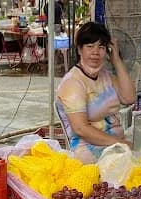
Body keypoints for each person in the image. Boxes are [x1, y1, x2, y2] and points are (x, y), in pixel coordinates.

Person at [56, 22, 136, 163]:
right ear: (80, 50)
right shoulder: (73, 83)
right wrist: (119, 143)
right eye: (90, 46)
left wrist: (116, 59)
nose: (95, 52)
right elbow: (81, 129)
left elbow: (129, 97)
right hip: (89, 152)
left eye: (101, 47)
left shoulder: (105, 75)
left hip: (116, 145)